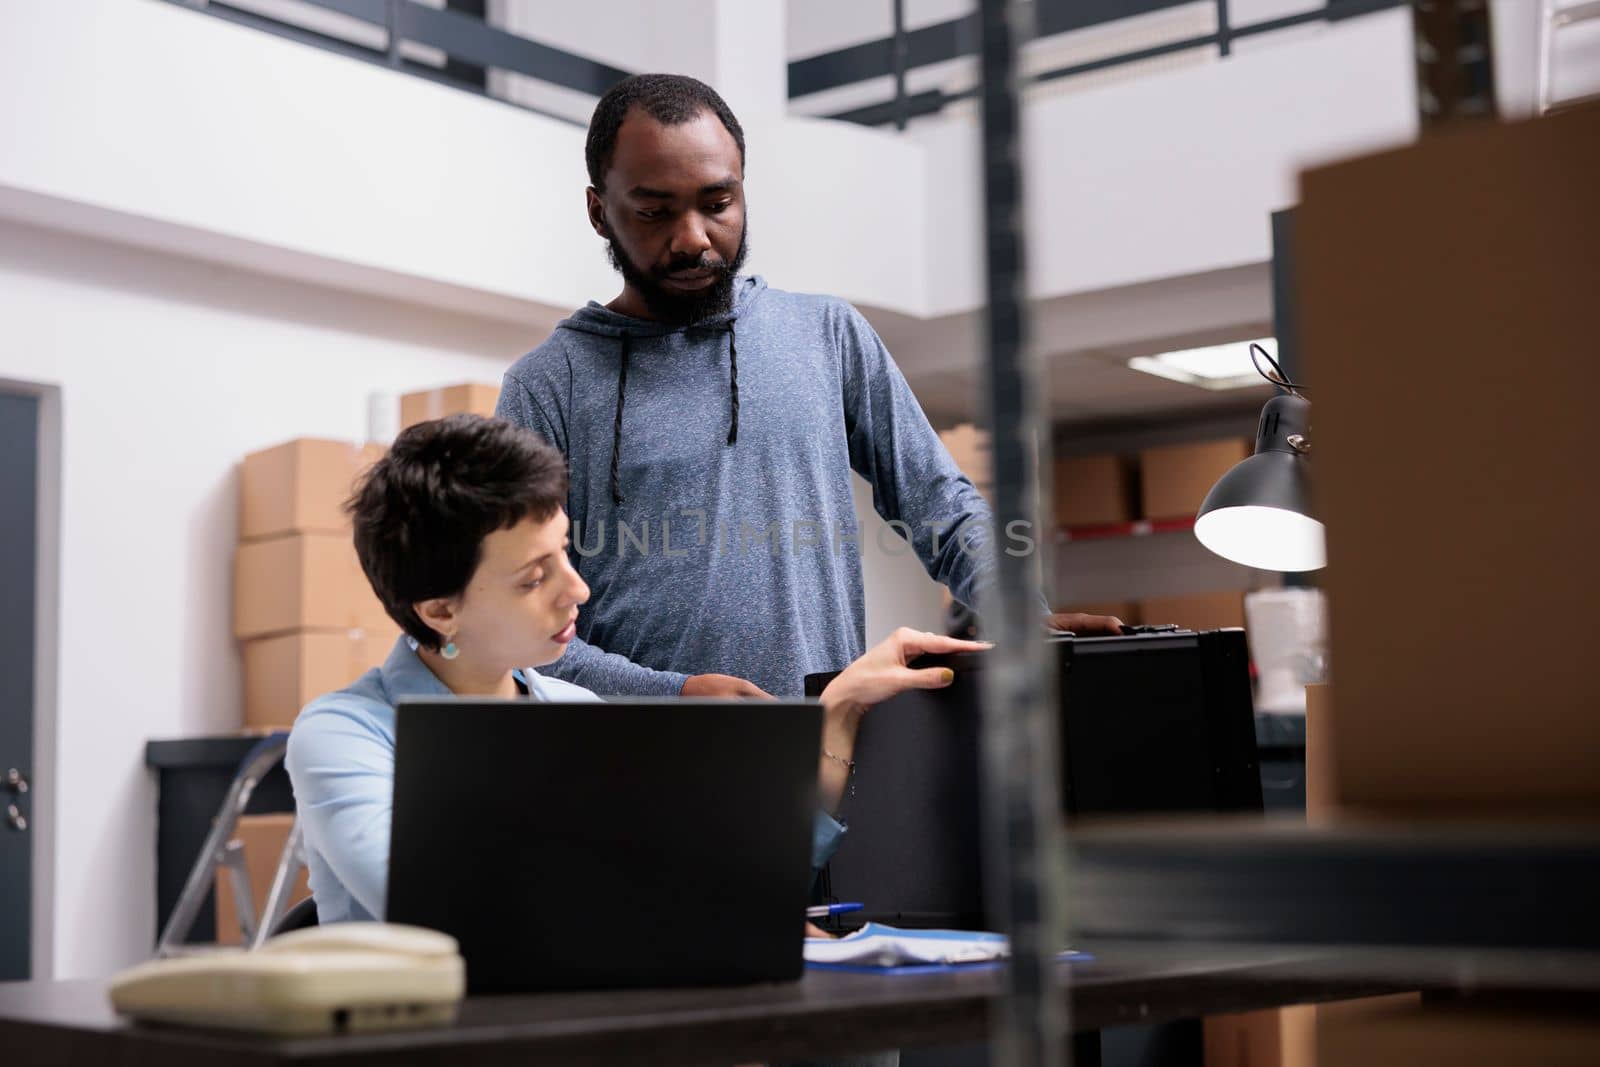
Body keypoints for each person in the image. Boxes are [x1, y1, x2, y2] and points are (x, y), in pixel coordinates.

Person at [496, 73, 1120, 702]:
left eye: (717, 204)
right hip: (645, 768)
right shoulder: (548, 386)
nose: (692, 238)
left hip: (831, 752)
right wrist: (672, 695)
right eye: (655, 211)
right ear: (600, 211)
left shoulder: (825, 333)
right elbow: (522, 628)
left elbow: (940, 501)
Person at [284, 414, 987, 925]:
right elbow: (445, 909)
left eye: (566, 552)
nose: (577, 590)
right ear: (439, 610)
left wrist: (840, 709)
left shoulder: (574, 709)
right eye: (535, 577)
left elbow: (724, 882)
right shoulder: (344, 734)